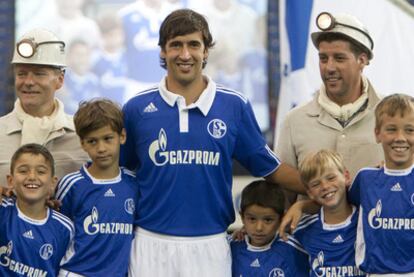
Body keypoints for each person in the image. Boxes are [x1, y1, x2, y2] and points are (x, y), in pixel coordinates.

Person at [121, 8, 304, 277]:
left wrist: (323, 189)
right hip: (149, 244)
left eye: (194, 44)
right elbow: (115, 174)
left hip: (210, 246)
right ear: (162, 51)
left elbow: (270, 168)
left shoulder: (233, 105)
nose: (185, 54)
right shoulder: (136, 108)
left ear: (206, 51)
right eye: (176, 45)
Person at [275, 11, 383, 207]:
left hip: (376, 237)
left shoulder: (392, 117)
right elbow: (282, 200)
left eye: (339, 58)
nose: (329, 67)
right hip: (311, 237)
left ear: (363, 60)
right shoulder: (295, 121)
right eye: (323, 58)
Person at [55, 99, 138, 276]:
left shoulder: (134, 184)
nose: (101, 148)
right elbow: (56, 231)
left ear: (122, 136)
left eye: (108, 139)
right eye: (92, 141)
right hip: (77, 272)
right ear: (82, 143)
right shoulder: (72, 184)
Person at [0, 28, 89, 186]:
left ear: (60, 80)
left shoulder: (82, 136)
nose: (28, 82)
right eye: (21, 74)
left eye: (39, 74)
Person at [348, 93, 414, 275]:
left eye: (410, 130)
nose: (400, 137)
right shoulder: (365, 179)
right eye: (391, 129)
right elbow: (339, 208)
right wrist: (301, 205)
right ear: (377, 134)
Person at [0, 143, 74, 276]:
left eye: (41, 171)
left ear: (52, 183)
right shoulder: (3, 211)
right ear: (10, 181)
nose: (32, 177)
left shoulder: (65, 228)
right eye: (23, 171)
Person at [290, 149, 364, 276]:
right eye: (316, 184)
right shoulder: (302, 229)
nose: (325, 186)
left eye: (331, 178)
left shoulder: (366, 221)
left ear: (346, 177)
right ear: (309, 193)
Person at [230, 180, 309, 277]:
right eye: (252, 219)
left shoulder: (294, 251)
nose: (259, 228)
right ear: (242, 217)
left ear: (282, 218)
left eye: (268, 220)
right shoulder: (230, 247)